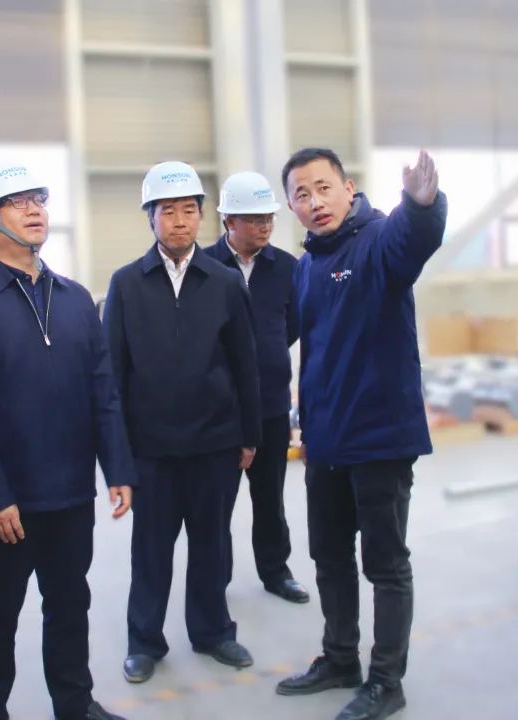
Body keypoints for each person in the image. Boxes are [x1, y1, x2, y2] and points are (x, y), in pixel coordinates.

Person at [0, 161, 133, 720]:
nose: (35, 210)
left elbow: (102, 389)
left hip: (69, 491)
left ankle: (75, 704)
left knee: (69, 605)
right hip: (6, 503)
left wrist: (118, 467)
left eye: (39, 199)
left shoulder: (73, 298)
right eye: (18, 202)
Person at [274, 148, 446, 720]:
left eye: (323, 187)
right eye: (301, 194)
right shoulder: (308, 266)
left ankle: (386, 682)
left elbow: (412, 241)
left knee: (385, 563)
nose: (315, 202)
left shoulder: (377, 241)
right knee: (328, 556)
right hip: (326, 441)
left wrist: (421, 206)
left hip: (379, 438)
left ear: (349, 188)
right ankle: (340, 658)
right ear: (292, 207)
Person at [104, 161, 261, 685]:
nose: (179, 221)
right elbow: (112, 375)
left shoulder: (224, 282)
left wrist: (250, 435)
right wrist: (118, 457)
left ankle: (213, 632)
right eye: (167, 211)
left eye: (189, 210)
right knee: (151, 550)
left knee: (212, 544)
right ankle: (144, 641)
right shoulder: (126, 284)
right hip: (151, 448)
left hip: (215, 443)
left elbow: (245, 363)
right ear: (150, 217)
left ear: (201, 216)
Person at [202, 171, 309, 604]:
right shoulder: (204, 267)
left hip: (270, 407)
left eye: (269, 218)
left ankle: (276, 571)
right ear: (229, 221)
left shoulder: (287, 268)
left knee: (270, 499)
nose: (265, 226)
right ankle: (215, 581)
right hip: (219, 412)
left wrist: (265, 355)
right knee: (218, 503)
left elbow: (293, 326)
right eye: (255, 219)